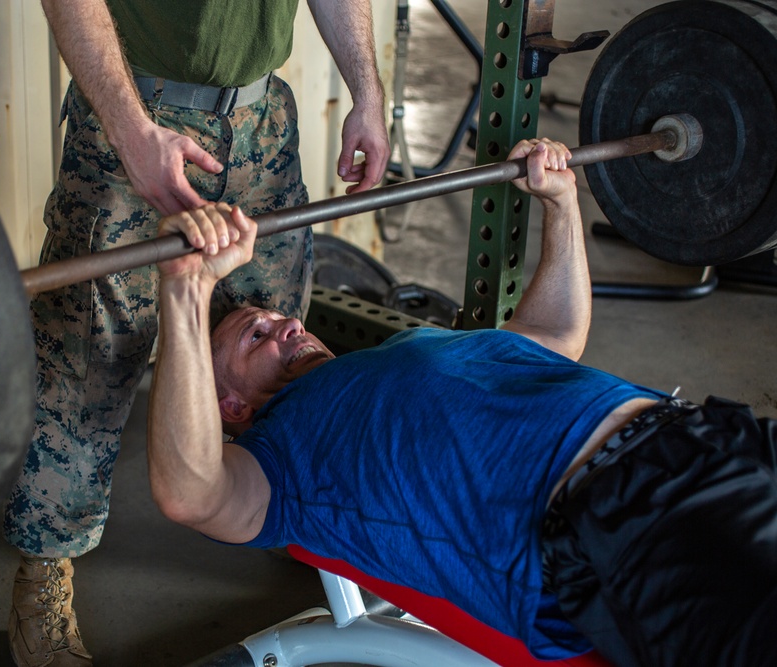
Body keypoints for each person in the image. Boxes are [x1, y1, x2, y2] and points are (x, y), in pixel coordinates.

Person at [147, 138, 777, 667]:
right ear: (229, 406)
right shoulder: (279, 466)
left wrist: (561, 204)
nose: (286, 324)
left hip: (703, 434)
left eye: (280, 315)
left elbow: (554, 338)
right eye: (255, 336)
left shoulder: (398, 353)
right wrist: (187, 289)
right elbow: (191, 494)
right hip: (620, 517)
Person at [3, 1, 390, 665]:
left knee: (280, 354)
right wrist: (129, 132)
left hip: (261, 120)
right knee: (86, 364)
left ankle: (301, 514)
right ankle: (44, 570)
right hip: (137, 121)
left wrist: (368, 92)